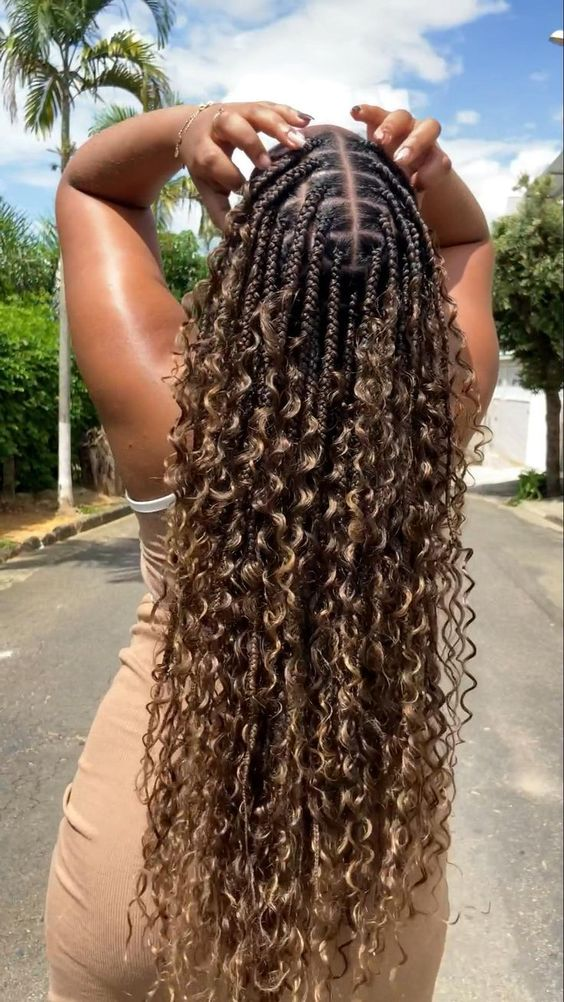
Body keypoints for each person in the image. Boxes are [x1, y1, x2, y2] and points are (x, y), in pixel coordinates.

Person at [44, 100, 499, 1002]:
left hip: (146, 869)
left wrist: (189, 131)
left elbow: (90, 187)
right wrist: (428, 179)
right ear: (412, 289)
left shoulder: (163, 405)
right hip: (368, 885)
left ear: (247, 263)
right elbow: (470, 241)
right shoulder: (438, 414)